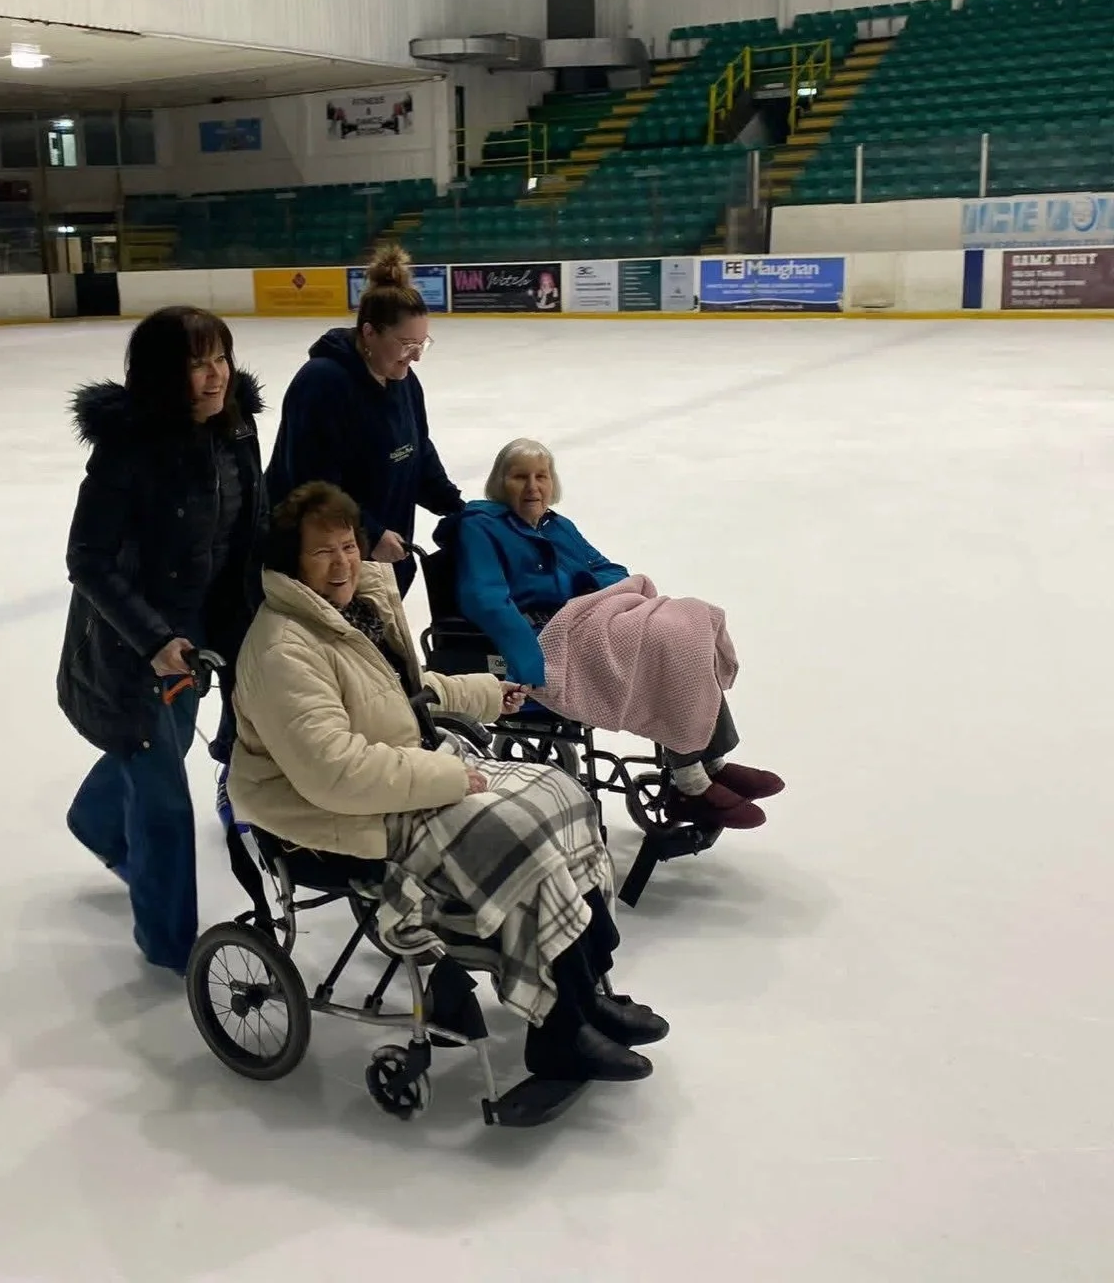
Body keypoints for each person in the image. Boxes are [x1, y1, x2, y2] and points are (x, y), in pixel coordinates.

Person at [227, 482, 670, 1084]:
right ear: (290, 566)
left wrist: (489, 693)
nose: (342, 563)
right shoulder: (284, 647)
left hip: (405, 771)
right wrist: (447, 777)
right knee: (520, 839)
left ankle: (582, 991)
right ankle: (558, 1034)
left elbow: (407, 695)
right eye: (322, 553)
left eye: (348, 546)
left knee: (563, 798)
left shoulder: (352, 612)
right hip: (337, 813)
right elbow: (335, 772)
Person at [57, 307, 266, 974]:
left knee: (160, 747)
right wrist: (153, 640)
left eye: (220, 359)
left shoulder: (238, 431)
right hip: (133, 644)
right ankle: (174, 948)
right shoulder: (128, 448)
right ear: (161, 374)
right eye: (195, 363)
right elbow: (87, 559)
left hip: (202, 631)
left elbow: (247, 534)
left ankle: (94, 820)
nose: (214, 377)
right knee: (164, 799)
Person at [435, 439, 784, 832]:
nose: (532, 487)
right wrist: (527, 658)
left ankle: (712, 760)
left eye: (541, 476)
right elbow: (486, 598)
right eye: (520, 477)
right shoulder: (480, 528)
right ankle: (691, 782)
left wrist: (608, 593)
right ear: (500, 482)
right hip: (542, 635)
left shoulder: (556, 524)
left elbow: (604, 566)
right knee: (665, 645)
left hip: (585, 618)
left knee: (690, 625)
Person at [264, 243, 462, 595]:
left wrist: (458, 508)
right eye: (405, 344)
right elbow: (313, 484)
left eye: (422, 344)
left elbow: (418, 453)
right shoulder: (322, 383)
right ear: (369, 333)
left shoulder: (404, 381)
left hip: (381, 564)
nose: (415, 357)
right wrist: (368, 533)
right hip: (324, 568)